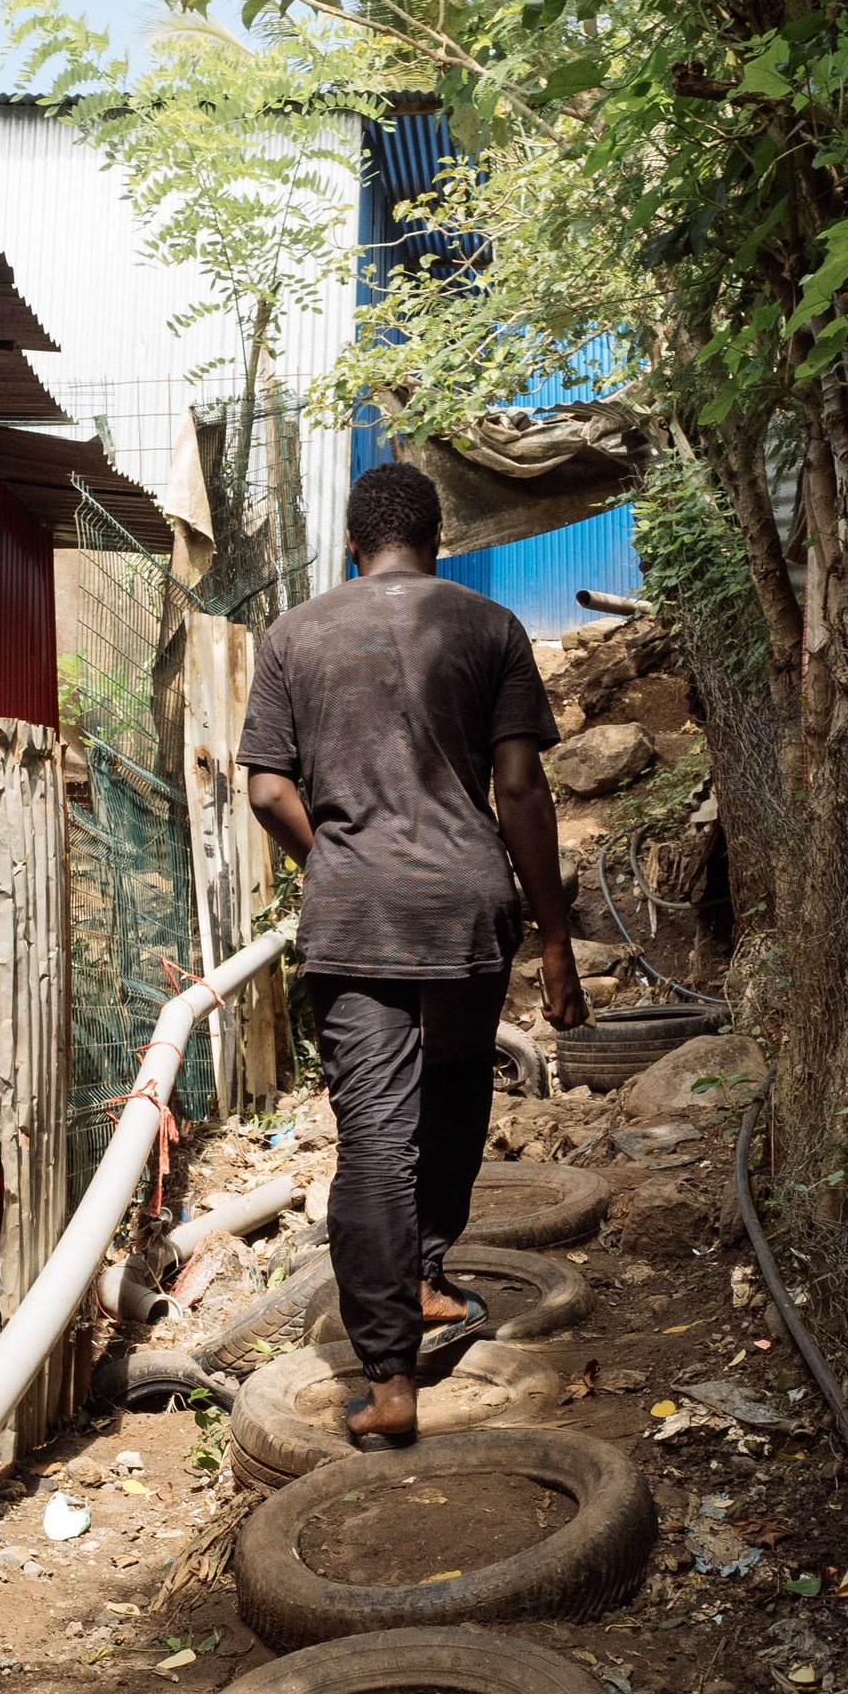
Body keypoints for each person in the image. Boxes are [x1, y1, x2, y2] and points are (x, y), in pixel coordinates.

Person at [238, 459, 588, 1451]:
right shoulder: (489, 629)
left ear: (353, 545)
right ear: (437, 542)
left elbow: (266, 792)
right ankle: (427, 1274)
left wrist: (339, 862)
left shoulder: (293, 635)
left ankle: (388, 1379)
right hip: (465, 906)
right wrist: (556, 938)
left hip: (356, 916)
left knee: (374, 1140)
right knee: (456, 1093)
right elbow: (519, 789)